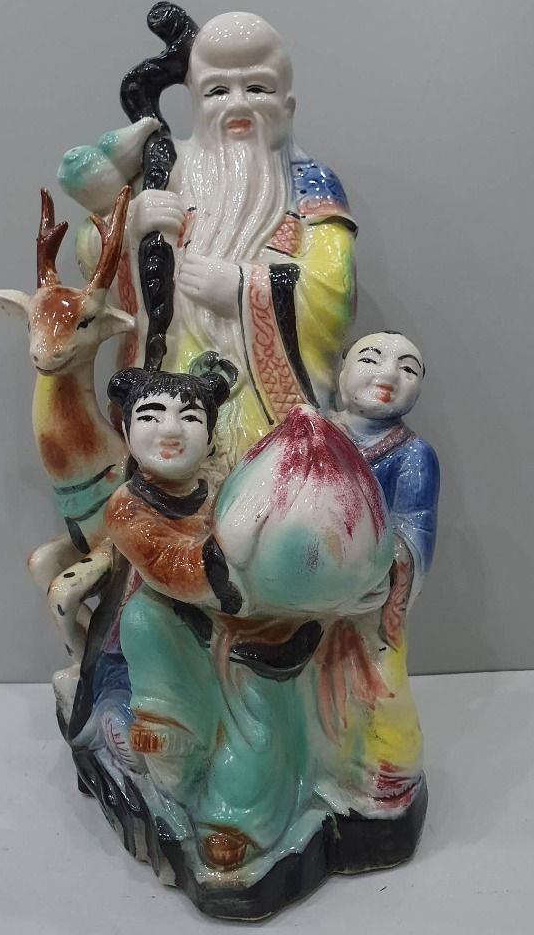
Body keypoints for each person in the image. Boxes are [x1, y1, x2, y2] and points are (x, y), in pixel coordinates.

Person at [73, 12, 357, 465]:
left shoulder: (310, 184)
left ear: (287, 106)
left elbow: (334, 288)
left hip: (265, 400)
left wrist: (242, 288)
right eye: (218, 91)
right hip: (169, 384)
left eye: (257, 88)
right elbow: (91, 256)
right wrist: (128, 226)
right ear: (196, 101)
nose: (237, 105)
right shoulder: (166, 170)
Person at [104, 367, 316, 872]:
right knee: (142, 620)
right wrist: (238, 540)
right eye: (150, 416)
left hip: (244, 623)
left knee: (258, 711)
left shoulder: (223, 486)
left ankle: (236, 815)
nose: (170, 430)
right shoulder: (126, 508)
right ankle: (173, 749)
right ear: (127, 430)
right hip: (175, 624)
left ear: (211, 433)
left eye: (190, 418)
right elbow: (173, 567)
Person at [327, 331, 440, 814]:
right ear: (341, 373)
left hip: (371, 603)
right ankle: (315, 770)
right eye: (370, 359)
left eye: (408, 368)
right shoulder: (313, 432)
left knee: (376, 689)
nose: (388, 374)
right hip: (305, 593)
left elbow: (415, 530)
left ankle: (385, 780)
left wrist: (374, 562)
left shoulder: (413, 455)